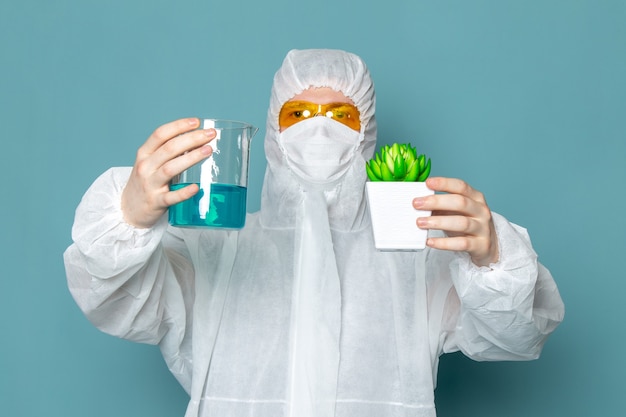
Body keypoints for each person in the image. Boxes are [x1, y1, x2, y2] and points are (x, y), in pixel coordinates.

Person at [64, 49, 564, 417]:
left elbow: (516, 336)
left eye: (340, 115)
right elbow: (113, 300)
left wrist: (492, 255)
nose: (319, 130)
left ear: (365, 132)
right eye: (299, 114)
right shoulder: (214, 249)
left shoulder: (413, 255)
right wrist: (128, 214)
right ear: (273, 132)